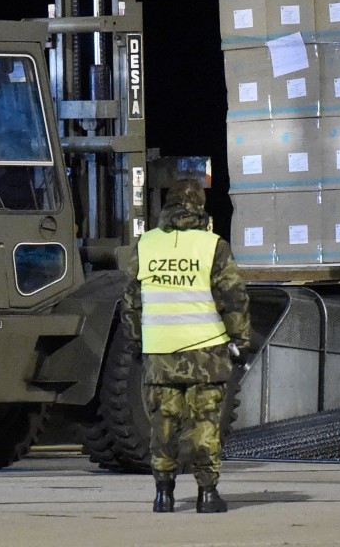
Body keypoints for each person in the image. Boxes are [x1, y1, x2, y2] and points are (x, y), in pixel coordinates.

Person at [121, 179, 250, 513]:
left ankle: (163, 495)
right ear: (199, 206)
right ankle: (207, 495)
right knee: (205, 424)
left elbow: (131, 301)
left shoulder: (146, 245)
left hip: (160, 355)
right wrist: (240, 340)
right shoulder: (212, 246)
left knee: (163, 425)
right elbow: (234, 297)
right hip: (206, 353)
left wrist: (138, 339)